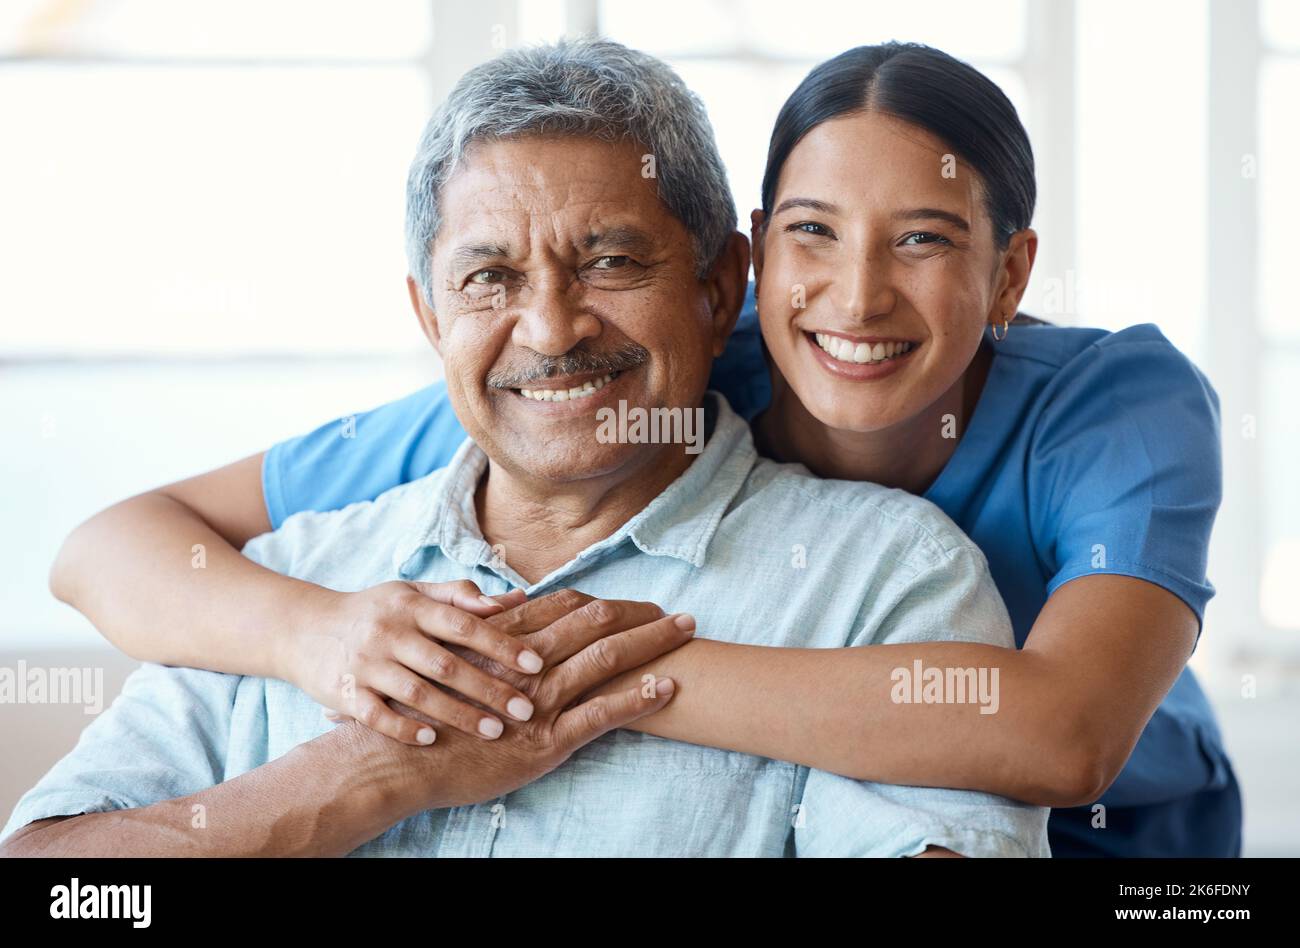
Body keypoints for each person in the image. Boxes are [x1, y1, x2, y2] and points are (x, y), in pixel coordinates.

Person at [40, 42, 1239, 857]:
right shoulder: (406, 506)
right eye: (489, 278)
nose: (551, 330)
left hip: (1133, 823)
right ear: (762, 265)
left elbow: (1065, 736)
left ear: (714, 283)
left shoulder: (1073, 437)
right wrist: (328, 679)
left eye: (612, 261)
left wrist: (546, 688)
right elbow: (105, 553)